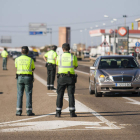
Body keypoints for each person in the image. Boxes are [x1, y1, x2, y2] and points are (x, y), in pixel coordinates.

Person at [55, 43, 78, 117]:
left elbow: (57, 64)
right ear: (69, 49)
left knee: (60, 95)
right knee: (71, 95)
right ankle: (72, 112)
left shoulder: (59, 57)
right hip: (70, 78)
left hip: (61, 78)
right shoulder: (73, 57)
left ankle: (58, 112)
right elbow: (76, 66)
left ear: (62, 49)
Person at [15, 46, 35, 116]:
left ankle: (18, 112)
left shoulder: (17, 59)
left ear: (21, 52)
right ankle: (29, 112)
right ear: (28, 52)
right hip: (28, 78)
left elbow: (16, 67)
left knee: (19, 94)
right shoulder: (30, 59)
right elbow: (33, 69)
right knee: (28, 94)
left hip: (20, 77)